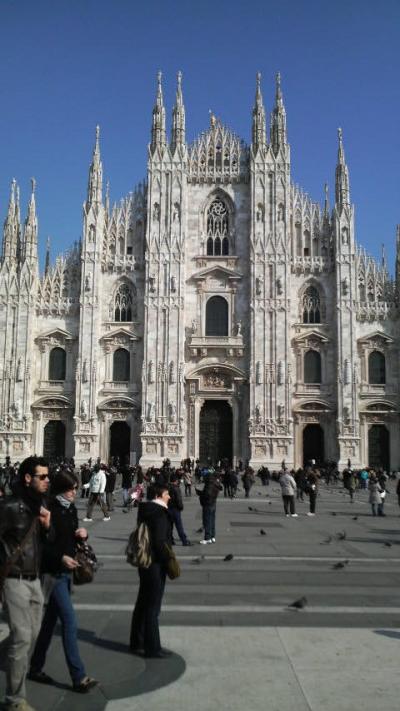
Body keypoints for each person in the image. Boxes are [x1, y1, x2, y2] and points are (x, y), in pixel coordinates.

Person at [29, 470, 98, 693]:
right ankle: (79, 676)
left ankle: (35, 667)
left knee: (50, 623)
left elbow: (69, 538)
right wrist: (60, 557)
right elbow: (41, 545)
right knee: (69, 622)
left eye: (76, 488)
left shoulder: (70, 509)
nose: (74, 493)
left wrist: (81, 535)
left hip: (66, 571)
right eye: (70, 489)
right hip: (53, 572)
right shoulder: (48, 510)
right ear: (60, 489)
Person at [0, 455, 52, 711]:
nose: (47, 480)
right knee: (21, 638)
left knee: (30, 635)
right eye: (43, 476)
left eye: (48, 476)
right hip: (14, 579)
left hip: (34, 579)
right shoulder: (9, 506)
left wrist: (48, 527)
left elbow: (43, 544)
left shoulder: (39, 506)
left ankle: (11, 663)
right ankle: (15, 700)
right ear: (28, 478)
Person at [130, 483, 173, 658]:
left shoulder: (146, 509)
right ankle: (152, 647)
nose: (169, 496)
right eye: (167, 493)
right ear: (158, 495)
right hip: (155, 563)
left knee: (142, 602)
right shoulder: (160, 514)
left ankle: (136, 642)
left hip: (145, 560)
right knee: (153, 607)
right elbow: (160, 541)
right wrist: (168, 561)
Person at [196, 471, 223, 544]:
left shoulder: (209, 484)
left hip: (208, 504)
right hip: (213, 503)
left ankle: (207, 538)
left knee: (207, 521)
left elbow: (207, 494)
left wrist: (200, 493)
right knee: (212, 521)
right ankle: (212, 537)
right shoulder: (215, 483)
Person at [168, 474, 191, 546]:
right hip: (175, 509)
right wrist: (181, 507)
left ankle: (170, 540)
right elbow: (178, 500)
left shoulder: (167, 487)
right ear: (176, 481)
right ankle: (184, 541)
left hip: (168, 508)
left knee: (170, 526)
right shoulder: (176, 488)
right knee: (179, 526)